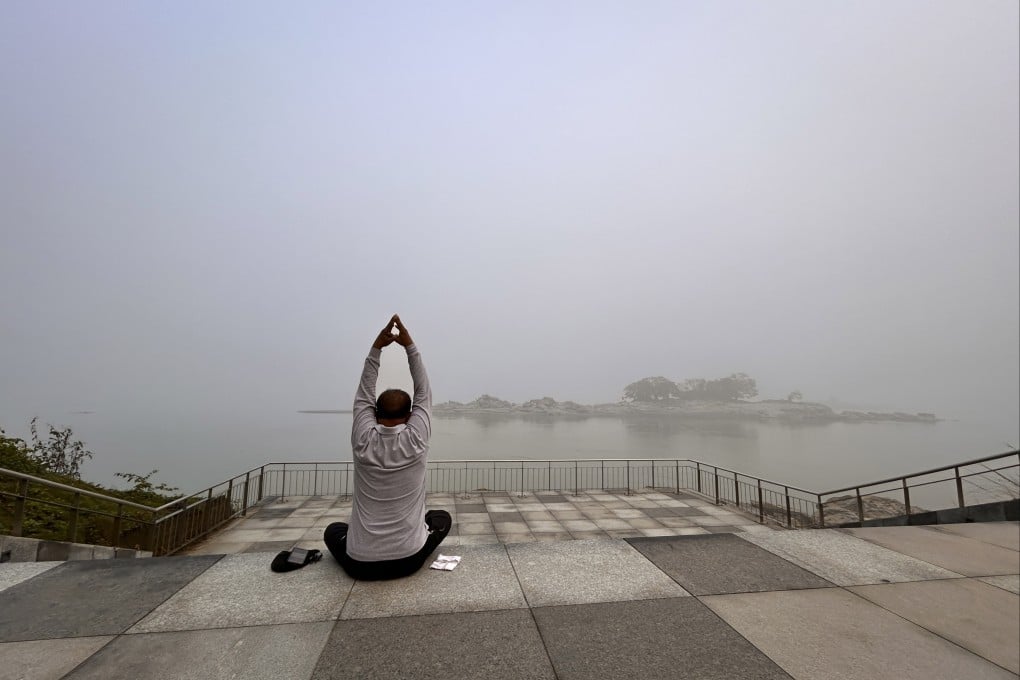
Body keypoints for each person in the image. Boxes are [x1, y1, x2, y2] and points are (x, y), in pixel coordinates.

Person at [323, 315, 452, 580]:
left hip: (359, 563)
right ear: (410, 416)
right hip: (409, 560)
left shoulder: (362, 439)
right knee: (441, 518)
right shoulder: (416, 439)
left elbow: (363, 394)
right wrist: (409, 346)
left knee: (333, 530)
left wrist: (377, 348)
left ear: (373, 412)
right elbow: (424, 393)